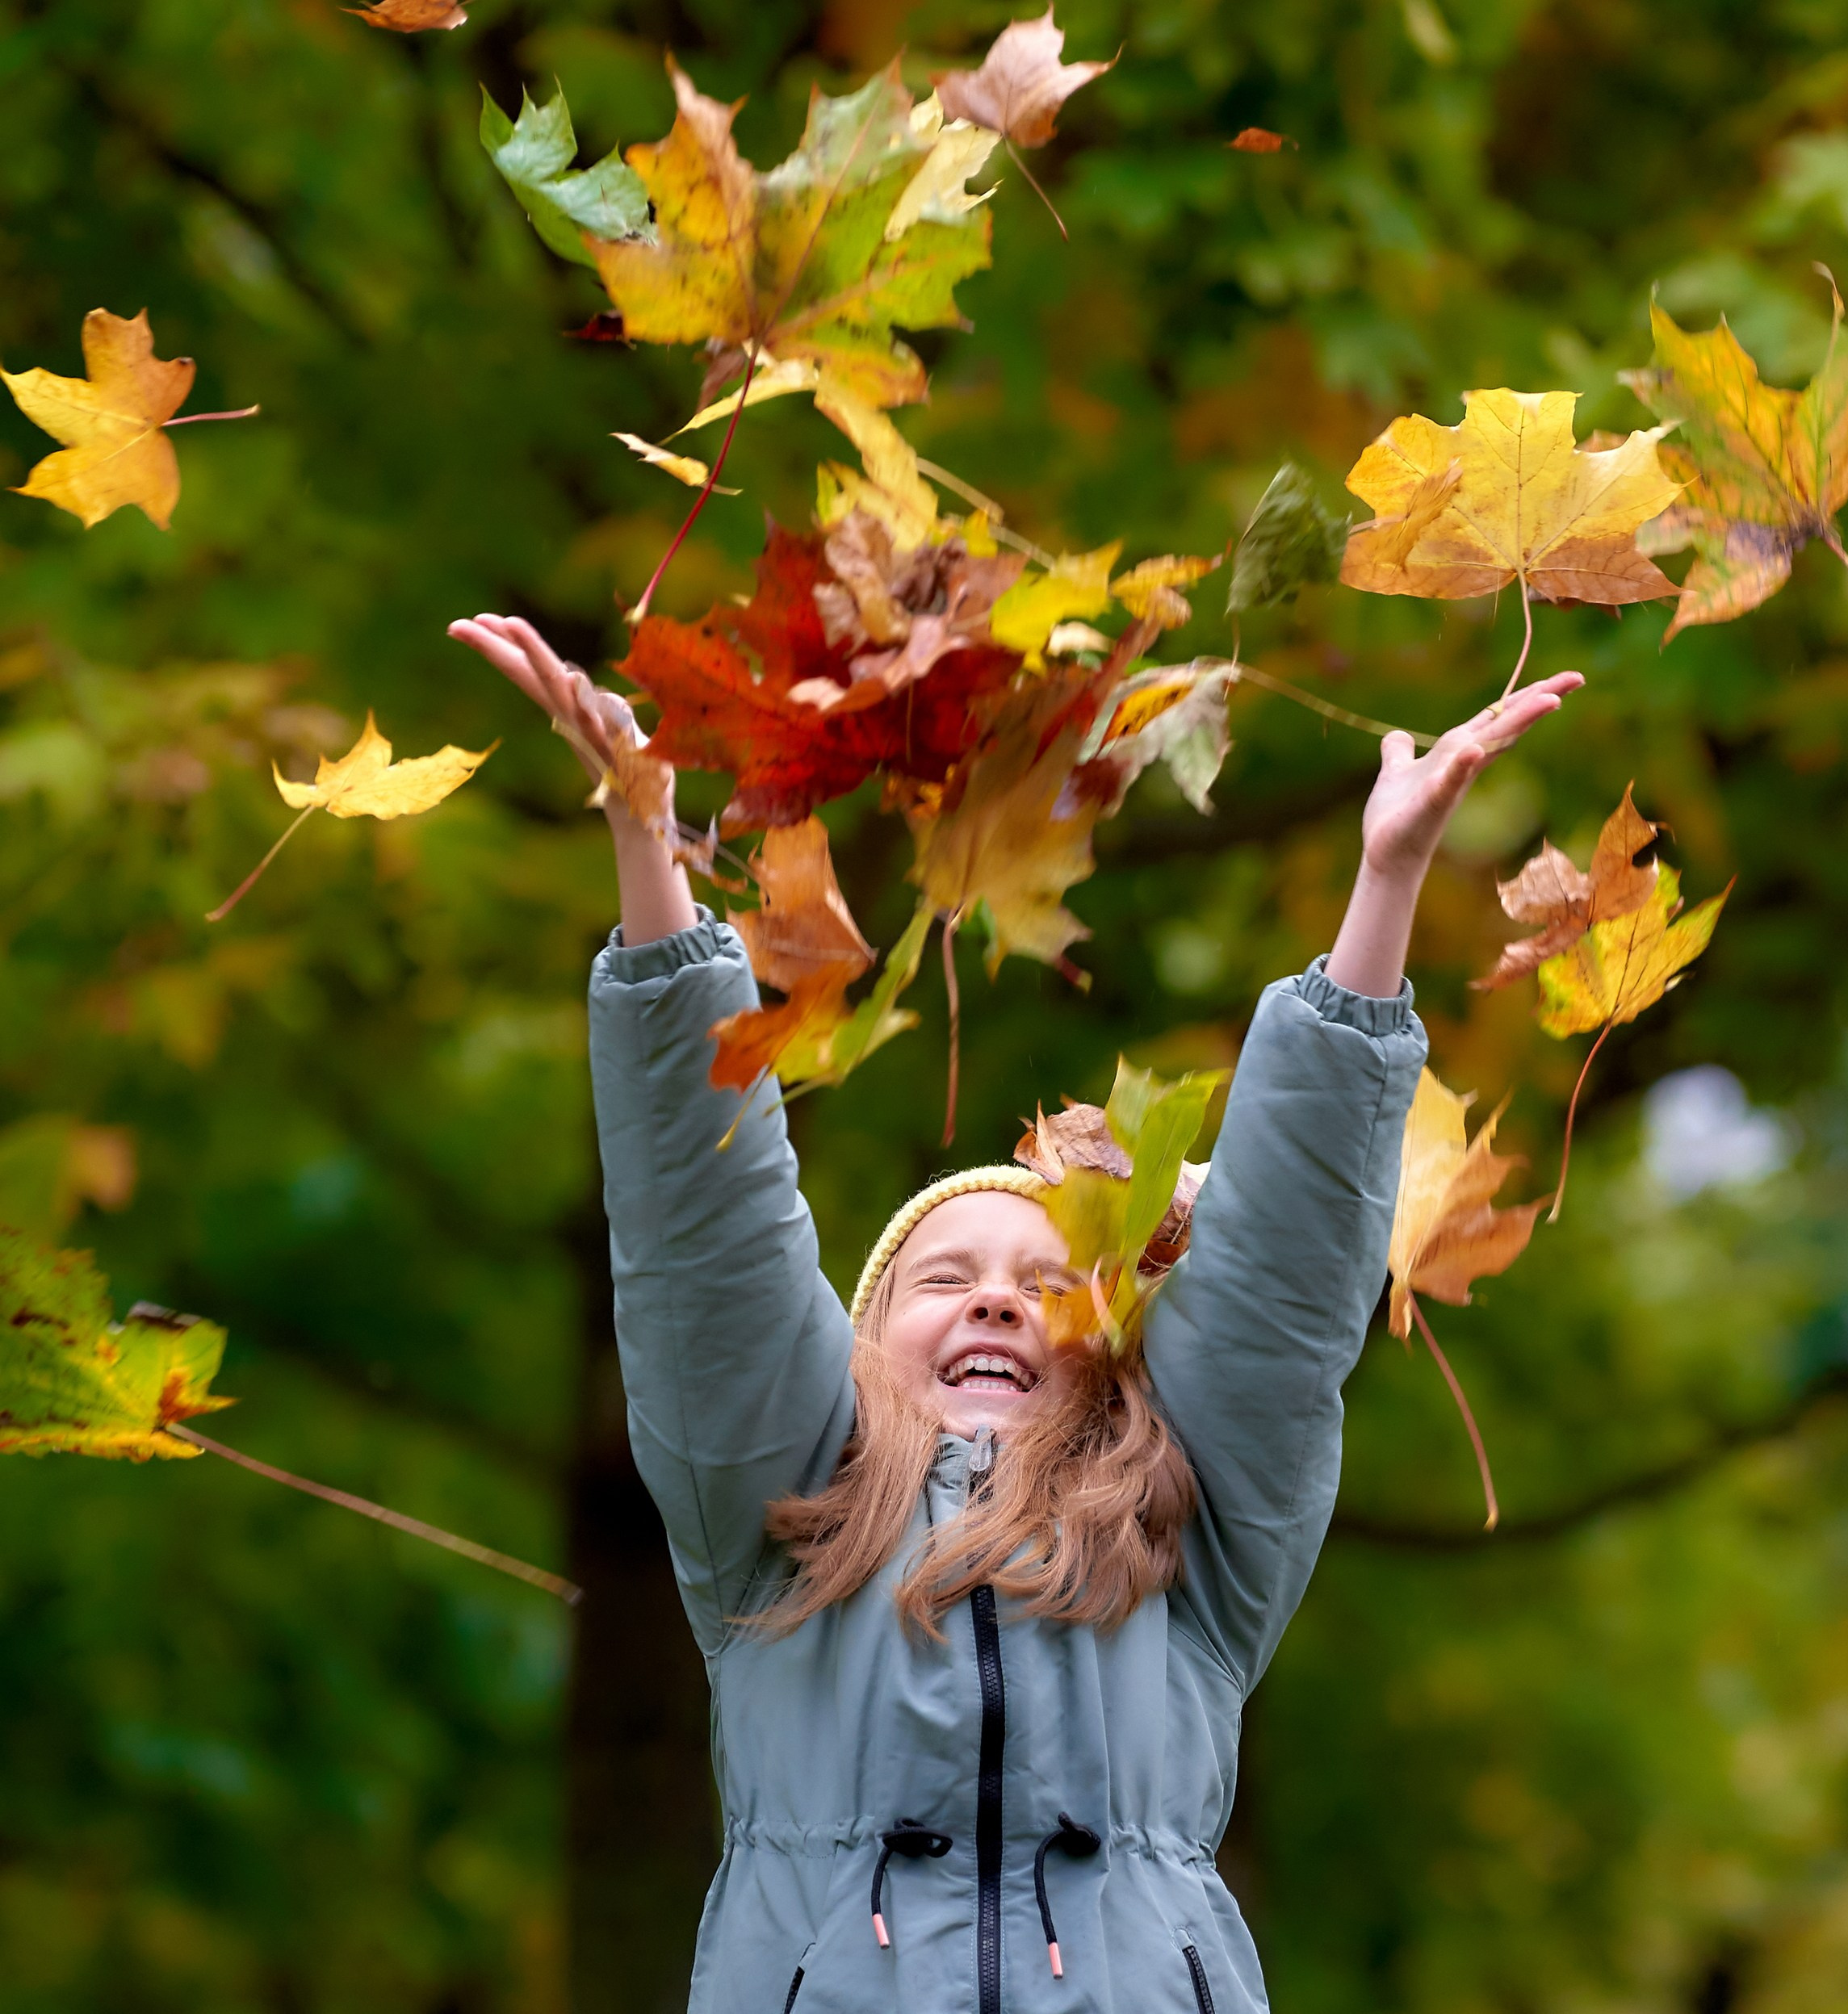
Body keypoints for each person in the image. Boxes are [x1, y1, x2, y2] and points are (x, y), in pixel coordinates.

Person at [450, 611, 1582, 2014]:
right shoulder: (777, 1527)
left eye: (1048, 1287)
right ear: (858, 1354)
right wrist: (646, 847)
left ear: (1108, 1363)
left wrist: (1385, 884)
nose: (997, 1296)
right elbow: (707, 1247)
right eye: (944, 1276)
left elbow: (1284, 1285)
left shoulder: (1189, 1541)